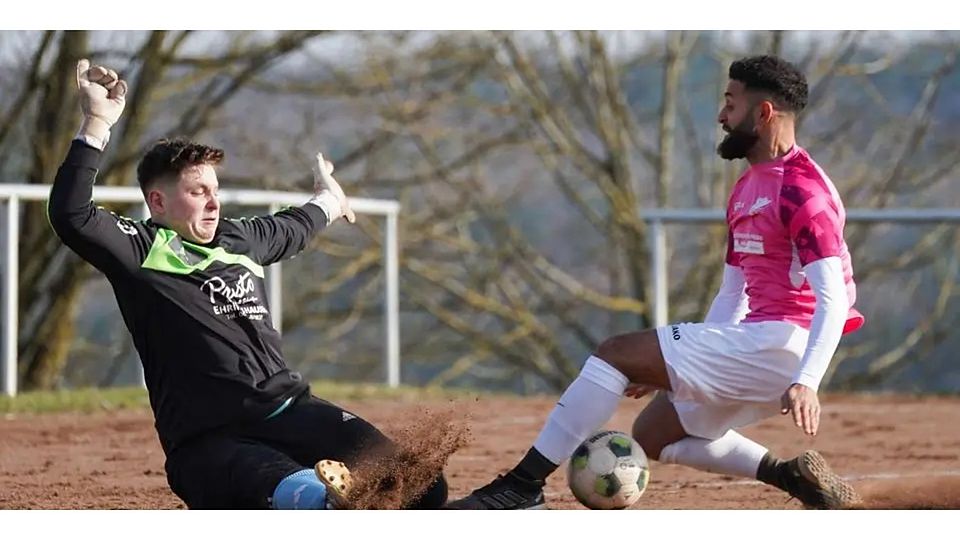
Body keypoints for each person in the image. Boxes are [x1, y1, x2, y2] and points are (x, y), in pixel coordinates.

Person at [446, 55, 864, 510]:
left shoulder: (804, 189)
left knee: (616, 353)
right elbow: (732, 292)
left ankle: (521, 487)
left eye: (731, 103)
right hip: (760, 343)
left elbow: (834, 299)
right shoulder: (747, 187)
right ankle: (791, 476)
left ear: (763, 114)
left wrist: (807, 380)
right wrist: (680, 366)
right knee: (653, 435)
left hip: (788, 347)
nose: (722, 116)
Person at [48, 59, 448, 509]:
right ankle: (329, 500)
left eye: (215, 189)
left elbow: (296, 226)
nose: (213, 200)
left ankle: (342, 498)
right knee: (308, 502)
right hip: (211, 444)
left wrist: (330, 200)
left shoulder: (241, 239)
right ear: (158, 201)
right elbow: (72, 215)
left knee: (423, 488)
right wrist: (97, 124)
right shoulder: (141, 249)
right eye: (198, 190)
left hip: (293, 412)